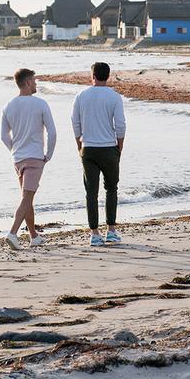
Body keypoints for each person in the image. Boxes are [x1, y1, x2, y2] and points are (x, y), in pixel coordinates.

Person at [0, 68, 56, 250]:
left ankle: (33, 236)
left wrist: (14, 149)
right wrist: (49, 154)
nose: (37, 84)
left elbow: (3, 136)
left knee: (27, 197)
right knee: (27, 197)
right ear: (28, 83)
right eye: (35, 81)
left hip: (18, 159)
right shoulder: (40, 104)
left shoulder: (9, 105)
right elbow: (52, 132)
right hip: (34, 157)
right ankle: (13, 233)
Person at [74, 61, 128, 246]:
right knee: (111, 189)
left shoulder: (81, 95)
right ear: (108, 76)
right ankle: (111, 230)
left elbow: (75, 123)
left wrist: (79, 145)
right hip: (109, 148)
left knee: (91, 192)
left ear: (93, 76)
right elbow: (120, 125)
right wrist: (119, 146)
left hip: (88, 148)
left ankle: (95, 233)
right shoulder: (114, 97)